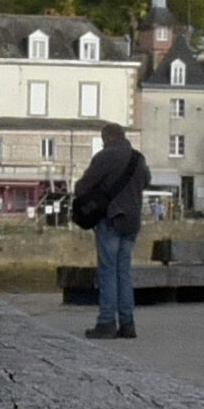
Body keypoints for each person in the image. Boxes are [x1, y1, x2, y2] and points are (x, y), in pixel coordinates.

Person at [73, 122, 150, 340]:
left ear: (107, 137)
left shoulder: (105, 157)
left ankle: (107, 322)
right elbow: (147, 181)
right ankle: (128, 324)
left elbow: (82, 187)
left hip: (111, 219)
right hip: (132, 222)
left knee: (107, 271)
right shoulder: (138, 158)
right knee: (123, 272)